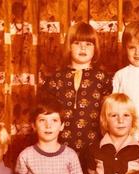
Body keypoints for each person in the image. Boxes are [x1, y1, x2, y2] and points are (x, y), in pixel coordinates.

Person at [39, 21, 112, 154]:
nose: (83, 48)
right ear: (69, 47)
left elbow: (110, 112)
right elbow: (46, 109)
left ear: (95, 48)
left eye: (88, 44)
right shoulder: (57, 77)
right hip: (61, 144)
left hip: (94, 142)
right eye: (77, 43)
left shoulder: (103, 78)